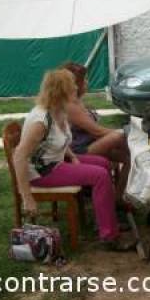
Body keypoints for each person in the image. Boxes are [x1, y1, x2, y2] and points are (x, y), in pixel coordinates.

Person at [13, 69, 128, 250]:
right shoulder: (40, 120)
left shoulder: (58, 110)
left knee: (104, 164)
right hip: (43, 172)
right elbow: (19, 156)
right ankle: (109, 236)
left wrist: (73, 156)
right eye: (72, 84)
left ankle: (105, 217)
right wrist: (26, 197)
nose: (76, 86)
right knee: (100, 176)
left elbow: (59, 140)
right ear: (61, 90)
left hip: (56, 162)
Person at [62, 62, 129, 206]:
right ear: (74, 83)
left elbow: (95, 130)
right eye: (84, 79)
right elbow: (97, 131)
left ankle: (117, 198)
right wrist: (124, 134)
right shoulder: (69, 106)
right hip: (76, 152)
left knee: (129, 158)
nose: (87, 82)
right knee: (119, 137)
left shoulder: (77, 101)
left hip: (88, 144)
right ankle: (114, 201)